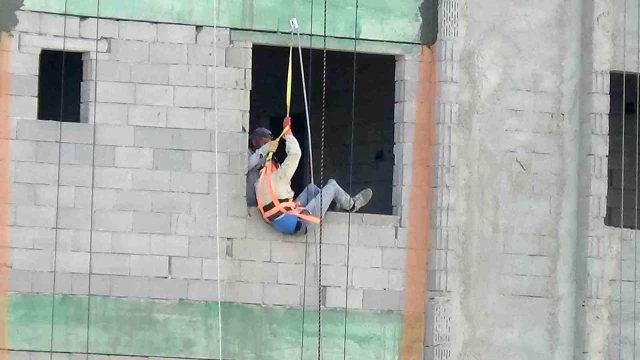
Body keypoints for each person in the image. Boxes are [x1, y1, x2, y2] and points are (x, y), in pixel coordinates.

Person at [255, 117, 373, 235]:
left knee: (311, 189)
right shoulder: (278, 177)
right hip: (301, 223)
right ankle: (352, 205)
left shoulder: (259, 183)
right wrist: (288, 133)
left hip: (285, 216)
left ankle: (336, 206)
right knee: (332, 185)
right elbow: (296, 153)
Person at [247, 127, 278, 206]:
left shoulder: (268, 158)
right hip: (247, 204)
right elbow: (247, 165)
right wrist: (265, 149)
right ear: (254, 142)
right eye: (264, 144)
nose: (267, 147)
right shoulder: (246, 153)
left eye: (269, 144)